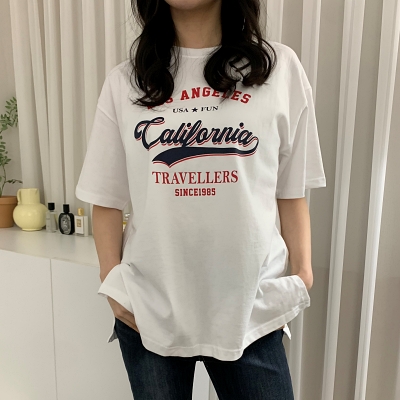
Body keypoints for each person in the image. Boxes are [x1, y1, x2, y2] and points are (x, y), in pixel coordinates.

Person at [75, 0, 326, 398]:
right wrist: (112, 281)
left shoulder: (278, 70)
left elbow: (291, 191)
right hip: (151, 308)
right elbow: (105, 198)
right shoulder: (126, 82)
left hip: (252, 308)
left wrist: (303, 274)